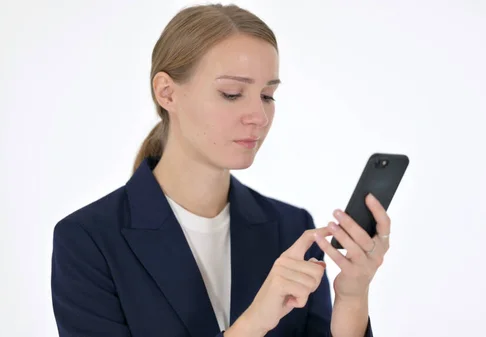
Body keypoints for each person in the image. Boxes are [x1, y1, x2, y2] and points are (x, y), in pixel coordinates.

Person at [51, 3, 391, 337]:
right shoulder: (89, 240)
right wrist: (253, 323)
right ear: (167, 93)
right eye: (231, 94)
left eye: (267, 95)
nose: (258, 116)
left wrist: (352, 298)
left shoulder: (291, 230)